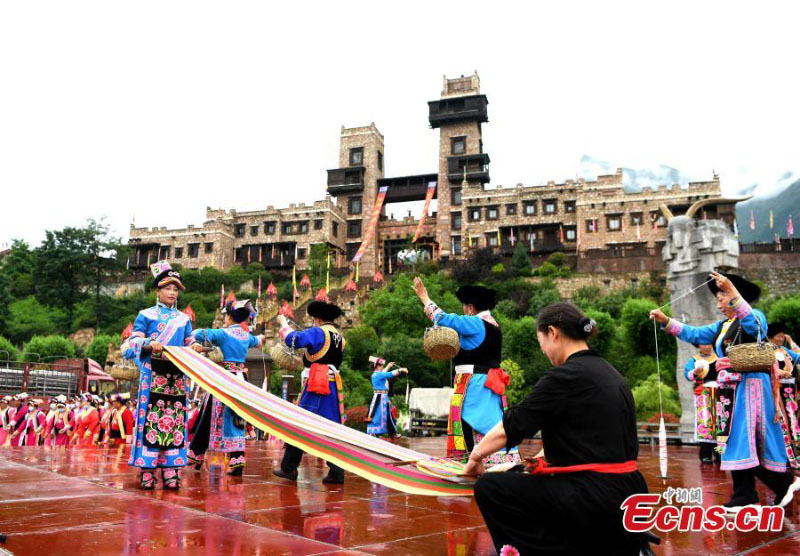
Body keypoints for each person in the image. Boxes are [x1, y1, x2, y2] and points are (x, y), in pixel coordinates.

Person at [468, 302, 648, 556]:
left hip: (595, 498)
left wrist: (475, 458)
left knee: (491, 488)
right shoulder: (613, 375)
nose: (542, 350)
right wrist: (519, 467)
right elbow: (580, 439)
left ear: (552, 333)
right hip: (631, 493)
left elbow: (511, 426)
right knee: (516, 478)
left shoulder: (565, 376)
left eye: (540, 341)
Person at [651, 271, 800, 510]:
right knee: (733, 440)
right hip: (730, 390)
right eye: (718, 297)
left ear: (735, 295)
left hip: (751, 388)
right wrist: (666, 320)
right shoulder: (722, 326)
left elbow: (756, 327)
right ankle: (751, 492)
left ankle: (772, 485)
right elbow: (695, 333)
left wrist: (731, 289)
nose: (718, 301)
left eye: (722, 296)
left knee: (745, 440)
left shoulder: (754, 316)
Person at [412, 277, 519, 466]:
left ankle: (472, 463)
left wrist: (424, 298)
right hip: (488, 383)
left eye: (464, 307)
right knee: (491, 420)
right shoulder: (494, 326)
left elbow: (444, 319)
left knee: (469, 421)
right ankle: (492, 461)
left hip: (474, 384)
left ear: (470, 307)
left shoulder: (476, 323)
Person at [124, 261, 195, 490]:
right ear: (158, 290)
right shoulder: (145, 315)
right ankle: (147, 469)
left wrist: (195, 346)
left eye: (176, 289)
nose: (172, 292)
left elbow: (189, 341)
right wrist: (148, 342)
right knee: (150, 420)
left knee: (176, 421)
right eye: (168, 288)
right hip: (153, 374)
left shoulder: (184, 319)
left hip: (177, 378)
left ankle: (171, 469)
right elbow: (133, 341)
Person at [272, 301, 347, 484]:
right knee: (332, 428)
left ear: (318, 319)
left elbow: (293, 340)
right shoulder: (340, 338)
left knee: (300, 424)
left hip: (317, 384)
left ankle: (289, 468)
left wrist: (284, 323)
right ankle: (337, 472)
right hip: (332, 386)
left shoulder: (319, 332)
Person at [188, 299, 264, 476]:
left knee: (208, 415)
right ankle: (237, 461)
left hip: (225, 379)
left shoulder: (224, 333)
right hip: (241, 379)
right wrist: (260, 337)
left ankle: (196, 455)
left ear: (230, 316)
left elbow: (196, 333)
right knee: (237, 418)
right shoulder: (246, 336)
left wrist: (207, 339)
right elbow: (259, 341)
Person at [684, 344, 720, 463]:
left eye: (708, 344)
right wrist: (695, 372)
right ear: (699, 346)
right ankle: (706, 454)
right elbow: (688, 375)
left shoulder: (718, 358)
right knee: (705, 423)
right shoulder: (694, 360)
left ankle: (719, 453)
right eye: (704, 344)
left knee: (719, 423)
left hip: (719, 393)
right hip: (703, 394)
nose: (707, 347)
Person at [768, 322, 800, 450]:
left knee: (792, 416)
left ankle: (795, 447)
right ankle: (785, 449)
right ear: (771, 337)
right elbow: (768, 368)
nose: (781, 339)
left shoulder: (785, 351)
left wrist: (791, 341)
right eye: (778, 336)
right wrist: (780, 373)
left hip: (790, 390)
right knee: (782, 418)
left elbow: (798, 357)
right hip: (777, 390)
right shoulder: (767, 351)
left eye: (783, 336)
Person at [366, 357, 407, 438]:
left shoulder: (376, 374)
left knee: (387, 414)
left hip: (382, 397)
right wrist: (401, 369)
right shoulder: (378, 375)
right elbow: (389, 374)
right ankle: (372, 432)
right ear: (377, 366)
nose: (382, 366)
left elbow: (383, 373)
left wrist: (388, 366)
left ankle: (393, 433)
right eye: (381, 365)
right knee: (376, 414)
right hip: (379, 397)